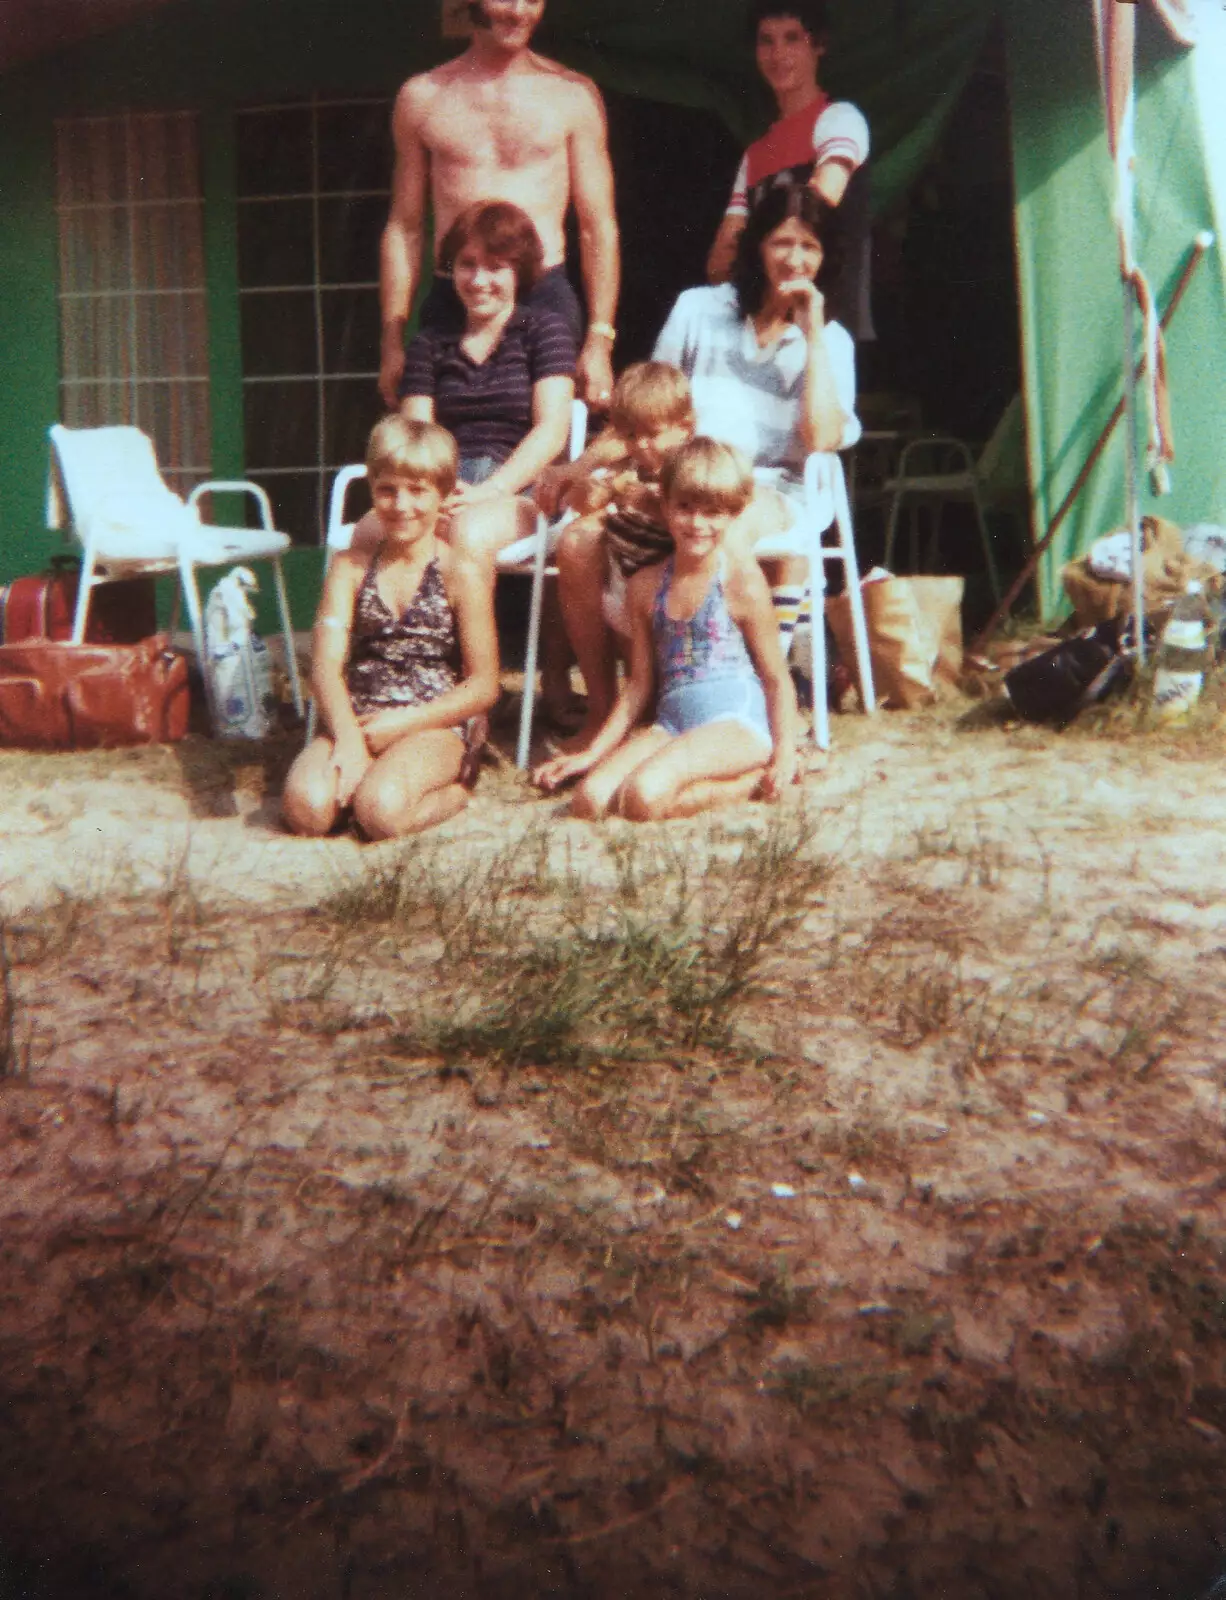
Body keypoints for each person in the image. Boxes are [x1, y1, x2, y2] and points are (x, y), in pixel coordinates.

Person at [534, 437, 798, 822]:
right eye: (685, 508)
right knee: (589, 799)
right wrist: (593, 754)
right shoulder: (645, 586)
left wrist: (785, 750)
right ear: (665, 505)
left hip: (736, 722)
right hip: (672, 722)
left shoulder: (740, 580)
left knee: (642, 797)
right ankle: (667, 775)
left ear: (734, 513)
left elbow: (776, 677)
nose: (698, 524)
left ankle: (752, 779)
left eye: (714, 512)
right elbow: (639, 686)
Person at [379, 0, 619, 411]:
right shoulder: (423, 96)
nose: (519, 11)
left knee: (548, 449)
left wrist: (600, 337)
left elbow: (597, 226)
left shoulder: (572, 94)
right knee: (439, 452)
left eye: (532, 0)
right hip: (457, 291)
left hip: (543, 292)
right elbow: (406, 226)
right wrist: (391, 341)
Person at [655, 182, 860, 657]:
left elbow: (823, 438)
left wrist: (812, 340)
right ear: (757, 246)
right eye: (781, 242)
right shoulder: (699, 309)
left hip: (775, 490)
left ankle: (731, 668)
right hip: (687, 482)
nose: (794, 260)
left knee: (726, 526)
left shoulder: (832, 342)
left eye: (809, 246)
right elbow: (655, 403)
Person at [282, 417, 499, 841]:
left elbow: (485, 684)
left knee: (379, 813)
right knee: (306, 811)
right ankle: (367, 778)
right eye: (388, 490)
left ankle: (453, 794)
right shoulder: (350, 568)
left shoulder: (460, 571)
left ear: (445, 495)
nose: (401, 505)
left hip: (430, 721)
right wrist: (347, 740)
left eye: (418, 491)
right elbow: (325, 666)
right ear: (373, 490)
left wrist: (404, 724)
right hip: (360, 717)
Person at [535, 361, 697, 745]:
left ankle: (649, 718)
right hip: (630, 600)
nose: (641, 445)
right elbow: (583, 496)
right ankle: (602, 709)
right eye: (631, 435)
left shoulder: (691, 464)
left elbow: (691, 509)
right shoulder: (633, 464)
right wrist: (594, 486)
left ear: (685, 428)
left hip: (679, 601)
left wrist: (642, 498)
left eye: (652, 434)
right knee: (577, 542)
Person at [706, 0, 871, 339]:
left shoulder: (840, 119)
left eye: (792, 38)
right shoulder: (754, 155)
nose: (777, 54)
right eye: (767, 41)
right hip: (762, 329)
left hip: (827, 325)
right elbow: (720, 263)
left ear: (819, 45)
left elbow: (820, 202)